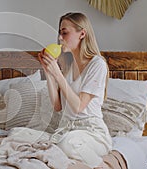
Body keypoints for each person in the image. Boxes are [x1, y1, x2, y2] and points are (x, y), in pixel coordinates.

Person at [38, 12, 112, 168]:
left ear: (82, 34)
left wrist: (58, 75)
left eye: (64, 32)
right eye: (59, 33)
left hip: (92, 133)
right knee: (19, 135)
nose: (59, 38)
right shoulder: (69, 65)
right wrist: (49, 73)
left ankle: (101, 166)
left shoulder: (97, 65)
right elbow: (58, 106)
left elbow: (79, 106)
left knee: (67, 144)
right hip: (67, 129)